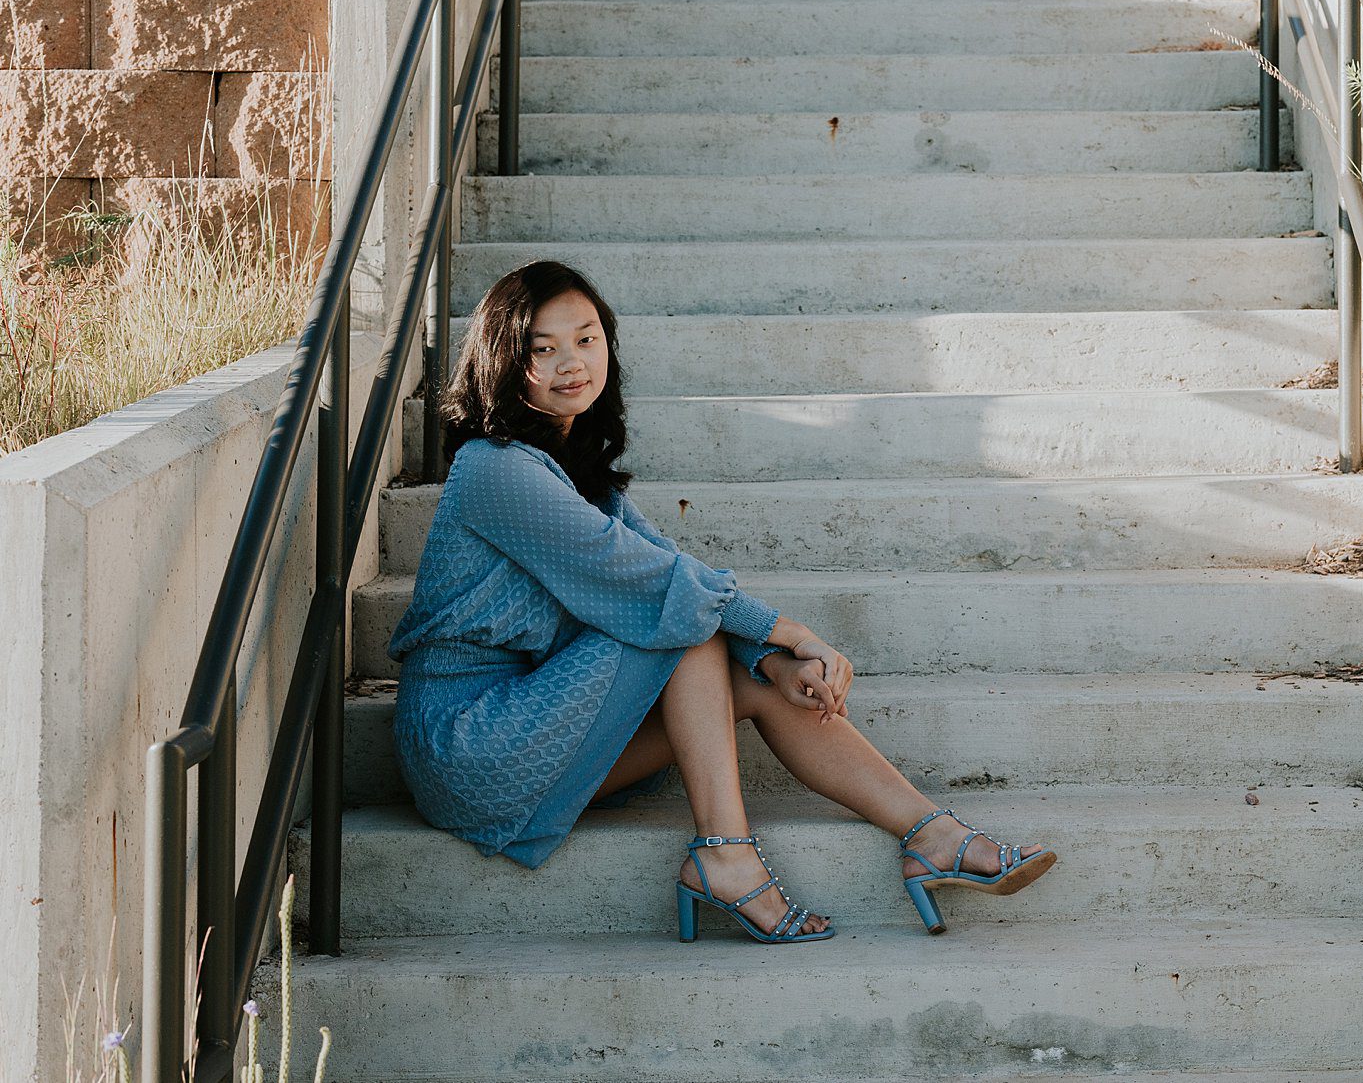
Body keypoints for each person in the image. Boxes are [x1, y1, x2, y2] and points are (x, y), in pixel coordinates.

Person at [387, 260, 1055, 944]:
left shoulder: (580, 478)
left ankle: (933, 835)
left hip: (542, 727)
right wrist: (792, 631)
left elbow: (675, 571)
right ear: (504, 359)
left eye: (586, 339)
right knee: (683, 625)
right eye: (543, 347)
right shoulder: (494, 469)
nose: (572, 363)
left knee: (750, 675)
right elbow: (658, 588)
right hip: (468, 745)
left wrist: (772, 660)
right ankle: (727, 857)